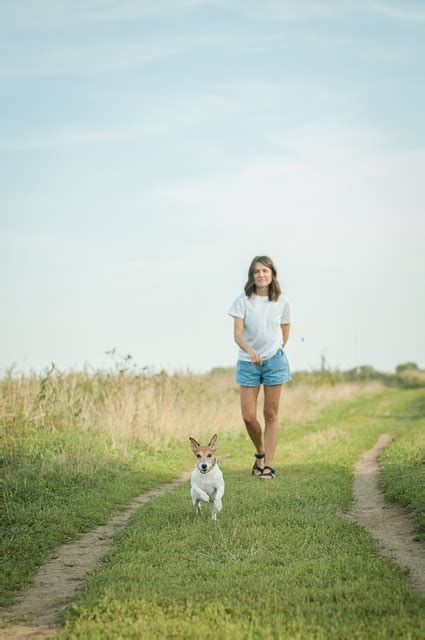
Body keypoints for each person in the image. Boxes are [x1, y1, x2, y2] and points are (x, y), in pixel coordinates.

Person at [228, 255, 292, 479]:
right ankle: (260, 452)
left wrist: (277, 348)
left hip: (274, 362)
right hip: (248, 362)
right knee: (248, 416)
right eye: (256, 271)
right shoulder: (243, 300)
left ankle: (268, 465)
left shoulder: (282, 301)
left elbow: (285, 327)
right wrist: (251, 350)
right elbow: (237, 335)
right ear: (251, 275)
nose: (261, 275)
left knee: (271, 414)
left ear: (272, 273)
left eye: (265, 271)